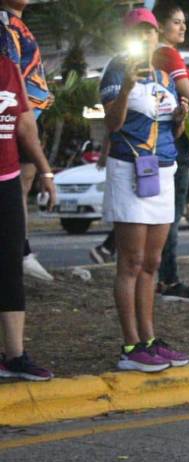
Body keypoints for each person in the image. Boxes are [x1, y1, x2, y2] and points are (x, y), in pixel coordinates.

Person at [100, 8, 189, 373]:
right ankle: (130, 345)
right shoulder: (117, 69)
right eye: (138, 32)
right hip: (129, 170)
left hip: (162, 172)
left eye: (150, 31)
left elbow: (174, 131)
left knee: (152, 263)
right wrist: (125, 88)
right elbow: (112, 122)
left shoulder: (165, 76)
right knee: (131, 262)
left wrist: (182, 117)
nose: (146, 37)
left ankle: (150, 340)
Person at [0, 53, 55, 380]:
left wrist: (46, 172)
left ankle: (14, 356)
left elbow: (23, 124)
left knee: (9, 265)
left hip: (5, 181)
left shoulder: (7, 67)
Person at [151, 1, 189, 305]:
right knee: (171, 213)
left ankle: (161, 275)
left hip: (164, 138)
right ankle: (168, 279)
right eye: (175, 22)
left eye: (184, 22)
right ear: (158, 25)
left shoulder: (158, 54)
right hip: (176, 138)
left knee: (172, 208)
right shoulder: (167, 54)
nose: (182, 27)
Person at [1, 0, 52, 282]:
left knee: (25, 182)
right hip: (19, 115)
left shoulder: (17, 23)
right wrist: (23, 115)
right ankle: (19, 252)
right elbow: (11, 74)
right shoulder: (5, 24)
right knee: (16, 185)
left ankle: (21, 249)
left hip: (31, 114)